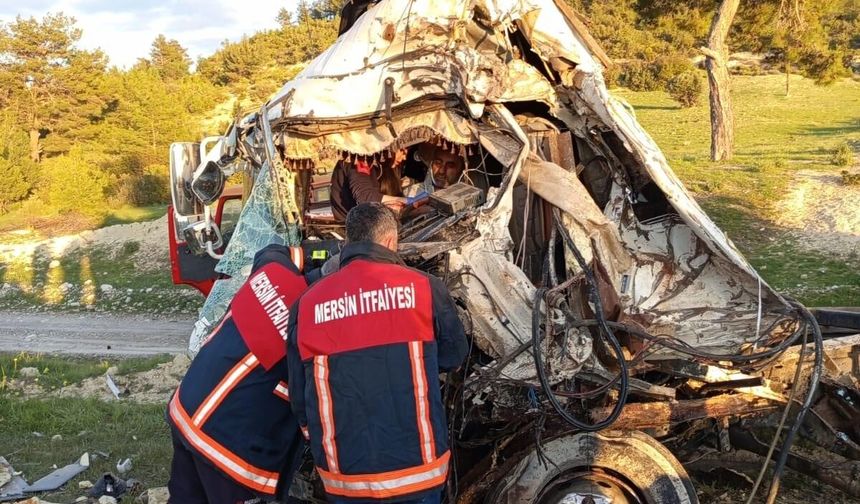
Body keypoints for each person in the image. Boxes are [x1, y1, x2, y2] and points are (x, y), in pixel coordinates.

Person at [286, 203, 469, 503]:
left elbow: (300, 401)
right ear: (389, 242)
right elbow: (454, 357)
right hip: (418, 474)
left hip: (345, 480)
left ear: (347, 242)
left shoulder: (306, 306)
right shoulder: (425, 288)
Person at [166, 244, 315, 504]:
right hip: (226, 445)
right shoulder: (314, 321)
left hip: (186, 409)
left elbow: (270, 250)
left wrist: (316, 251)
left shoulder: (271, 273)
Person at [330, 150, 408, 222]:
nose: (404, 157)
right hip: (354, 227)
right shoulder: (358, 159)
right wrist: (408, 201)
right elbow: (366, 197)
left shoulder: (373, 163)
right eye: (402, 150)